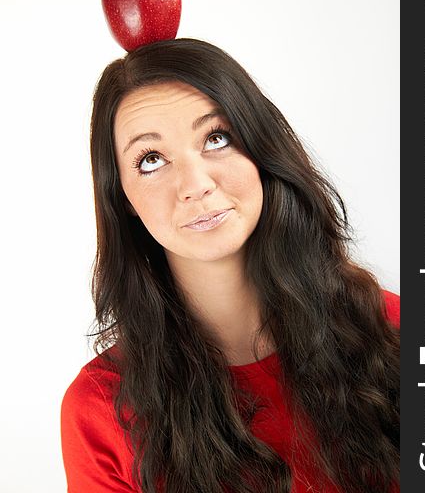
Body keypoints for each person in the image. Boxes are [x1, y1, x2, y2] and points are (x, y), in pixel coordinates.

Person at [60, 38, 400, 493]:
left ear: (261, 151)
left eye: (216, 138)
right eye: (151, 159)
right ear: (123, 199)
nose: (196, 184)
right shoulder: (102, 409)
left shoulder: (398, 331)